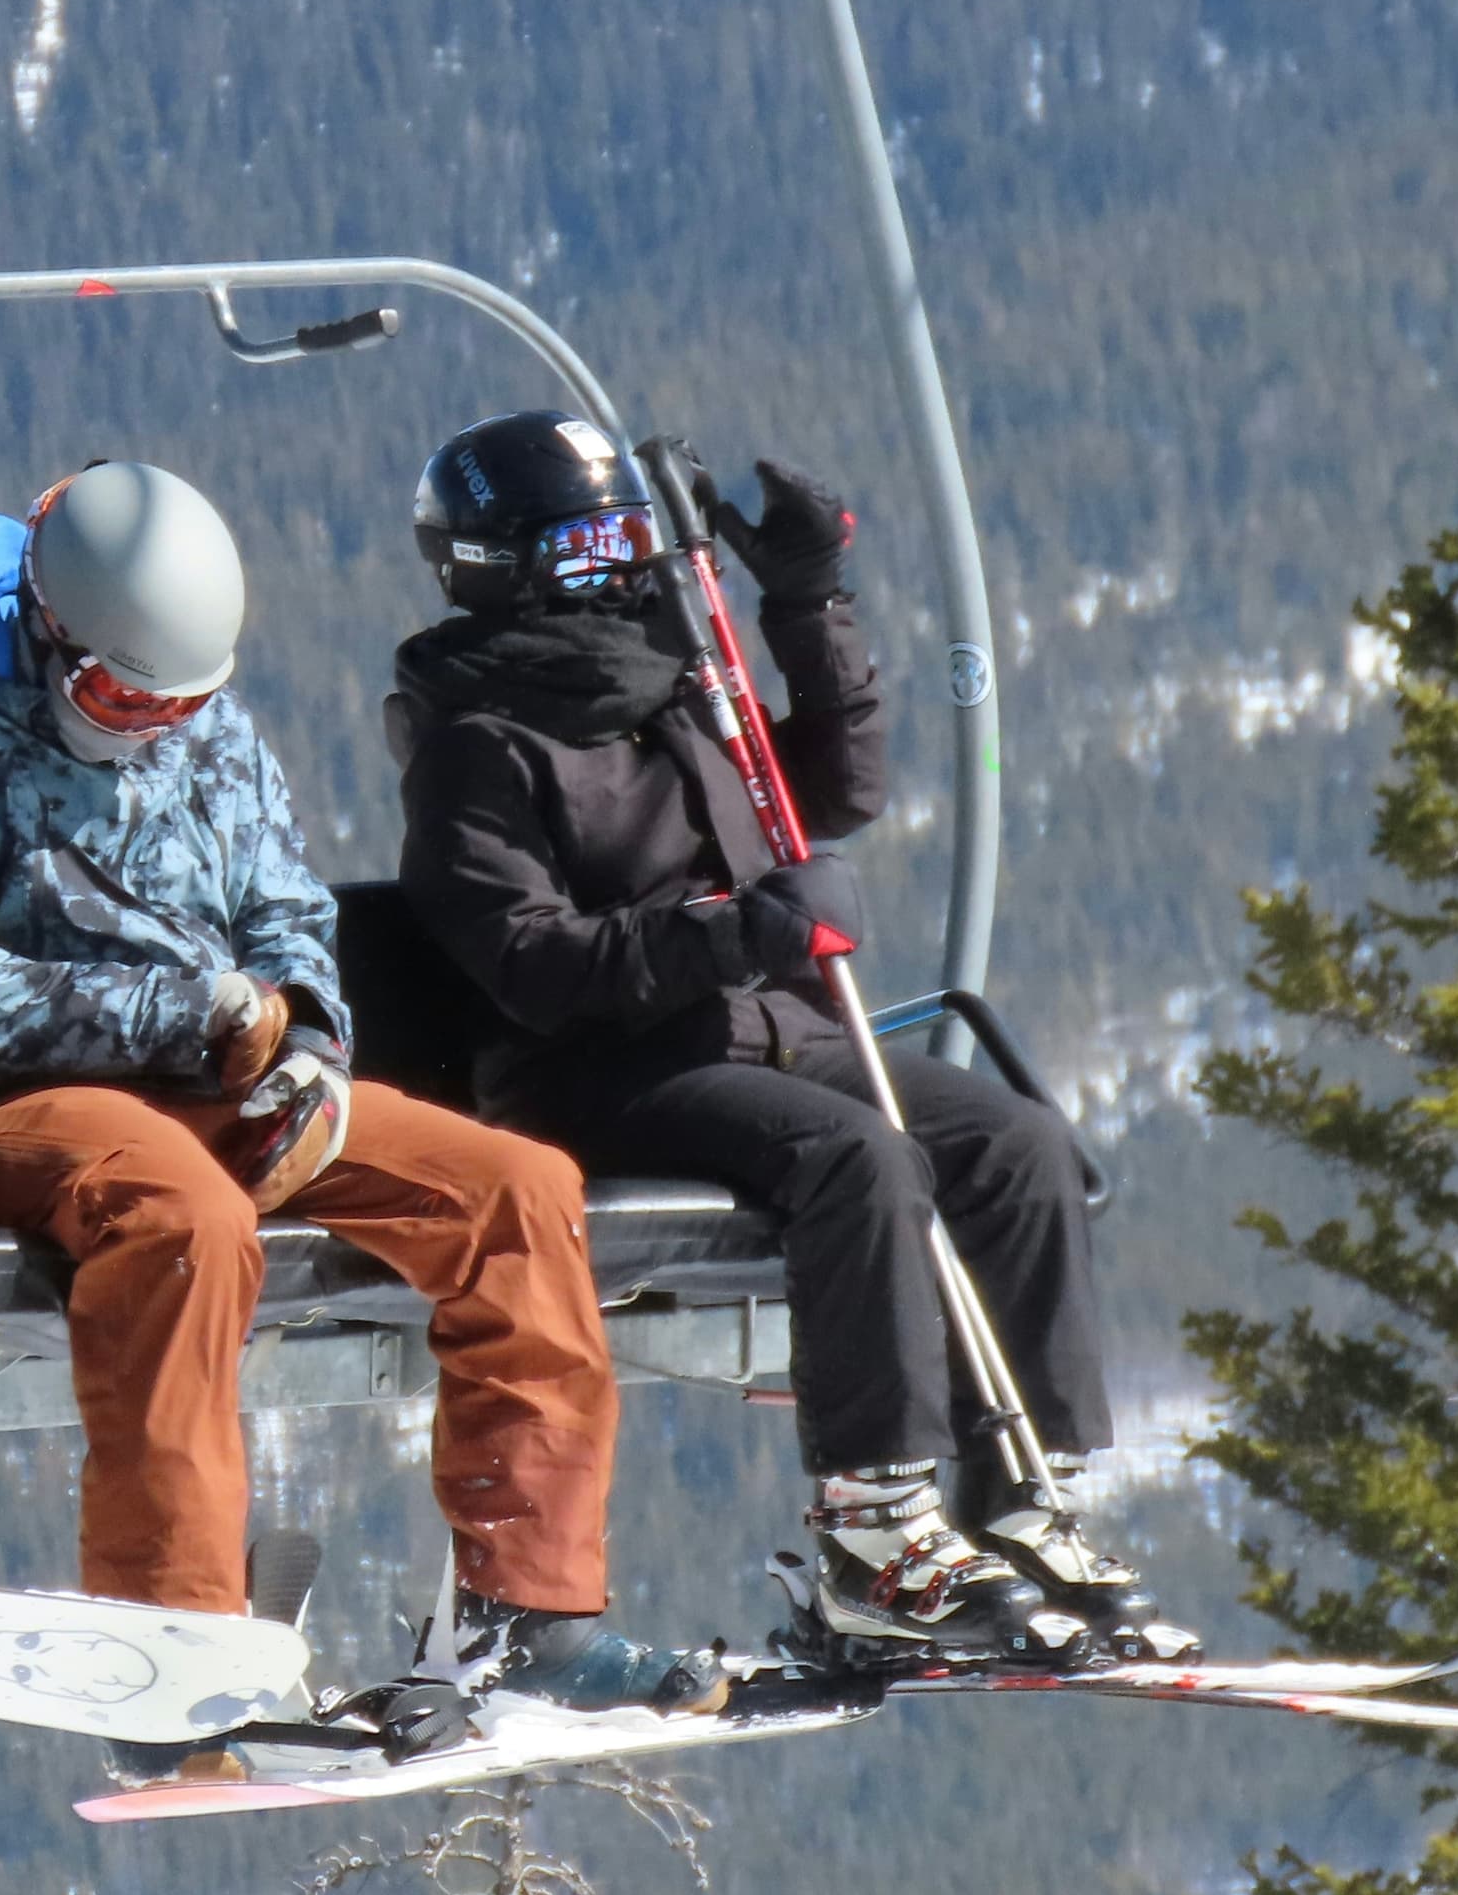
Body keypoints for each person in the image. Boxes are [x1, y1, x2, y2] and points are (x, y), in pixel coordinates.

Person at [0, 458, 722, 1780]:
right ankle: (165, 1649)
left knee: (514, 1188)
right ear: (52, 636)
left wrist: (305, 1037)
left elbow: (288, 912)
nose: (146, 729)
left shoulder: (205, 736)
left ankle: (534, 1611)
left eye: (177, 703)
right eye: (121, 698)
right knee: (181, 1222)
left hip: (218, 1078)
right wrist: (183, 1013)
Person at [387, 411, 1183, 1668]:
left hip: (766, 1034)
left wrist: (813, 606)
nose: (619, 567)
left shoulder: (674, 686)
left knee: (1013, 1143)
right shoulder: (478, 750)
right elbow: (530, 965)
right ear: (505, 567)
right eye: (586, 545)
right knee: (857, 1160)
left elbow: (832, 791)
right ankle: (877, 1533)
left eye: (626, 537)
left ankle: (1030, 1490)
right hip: (606, 1074)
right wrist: (732, 933)